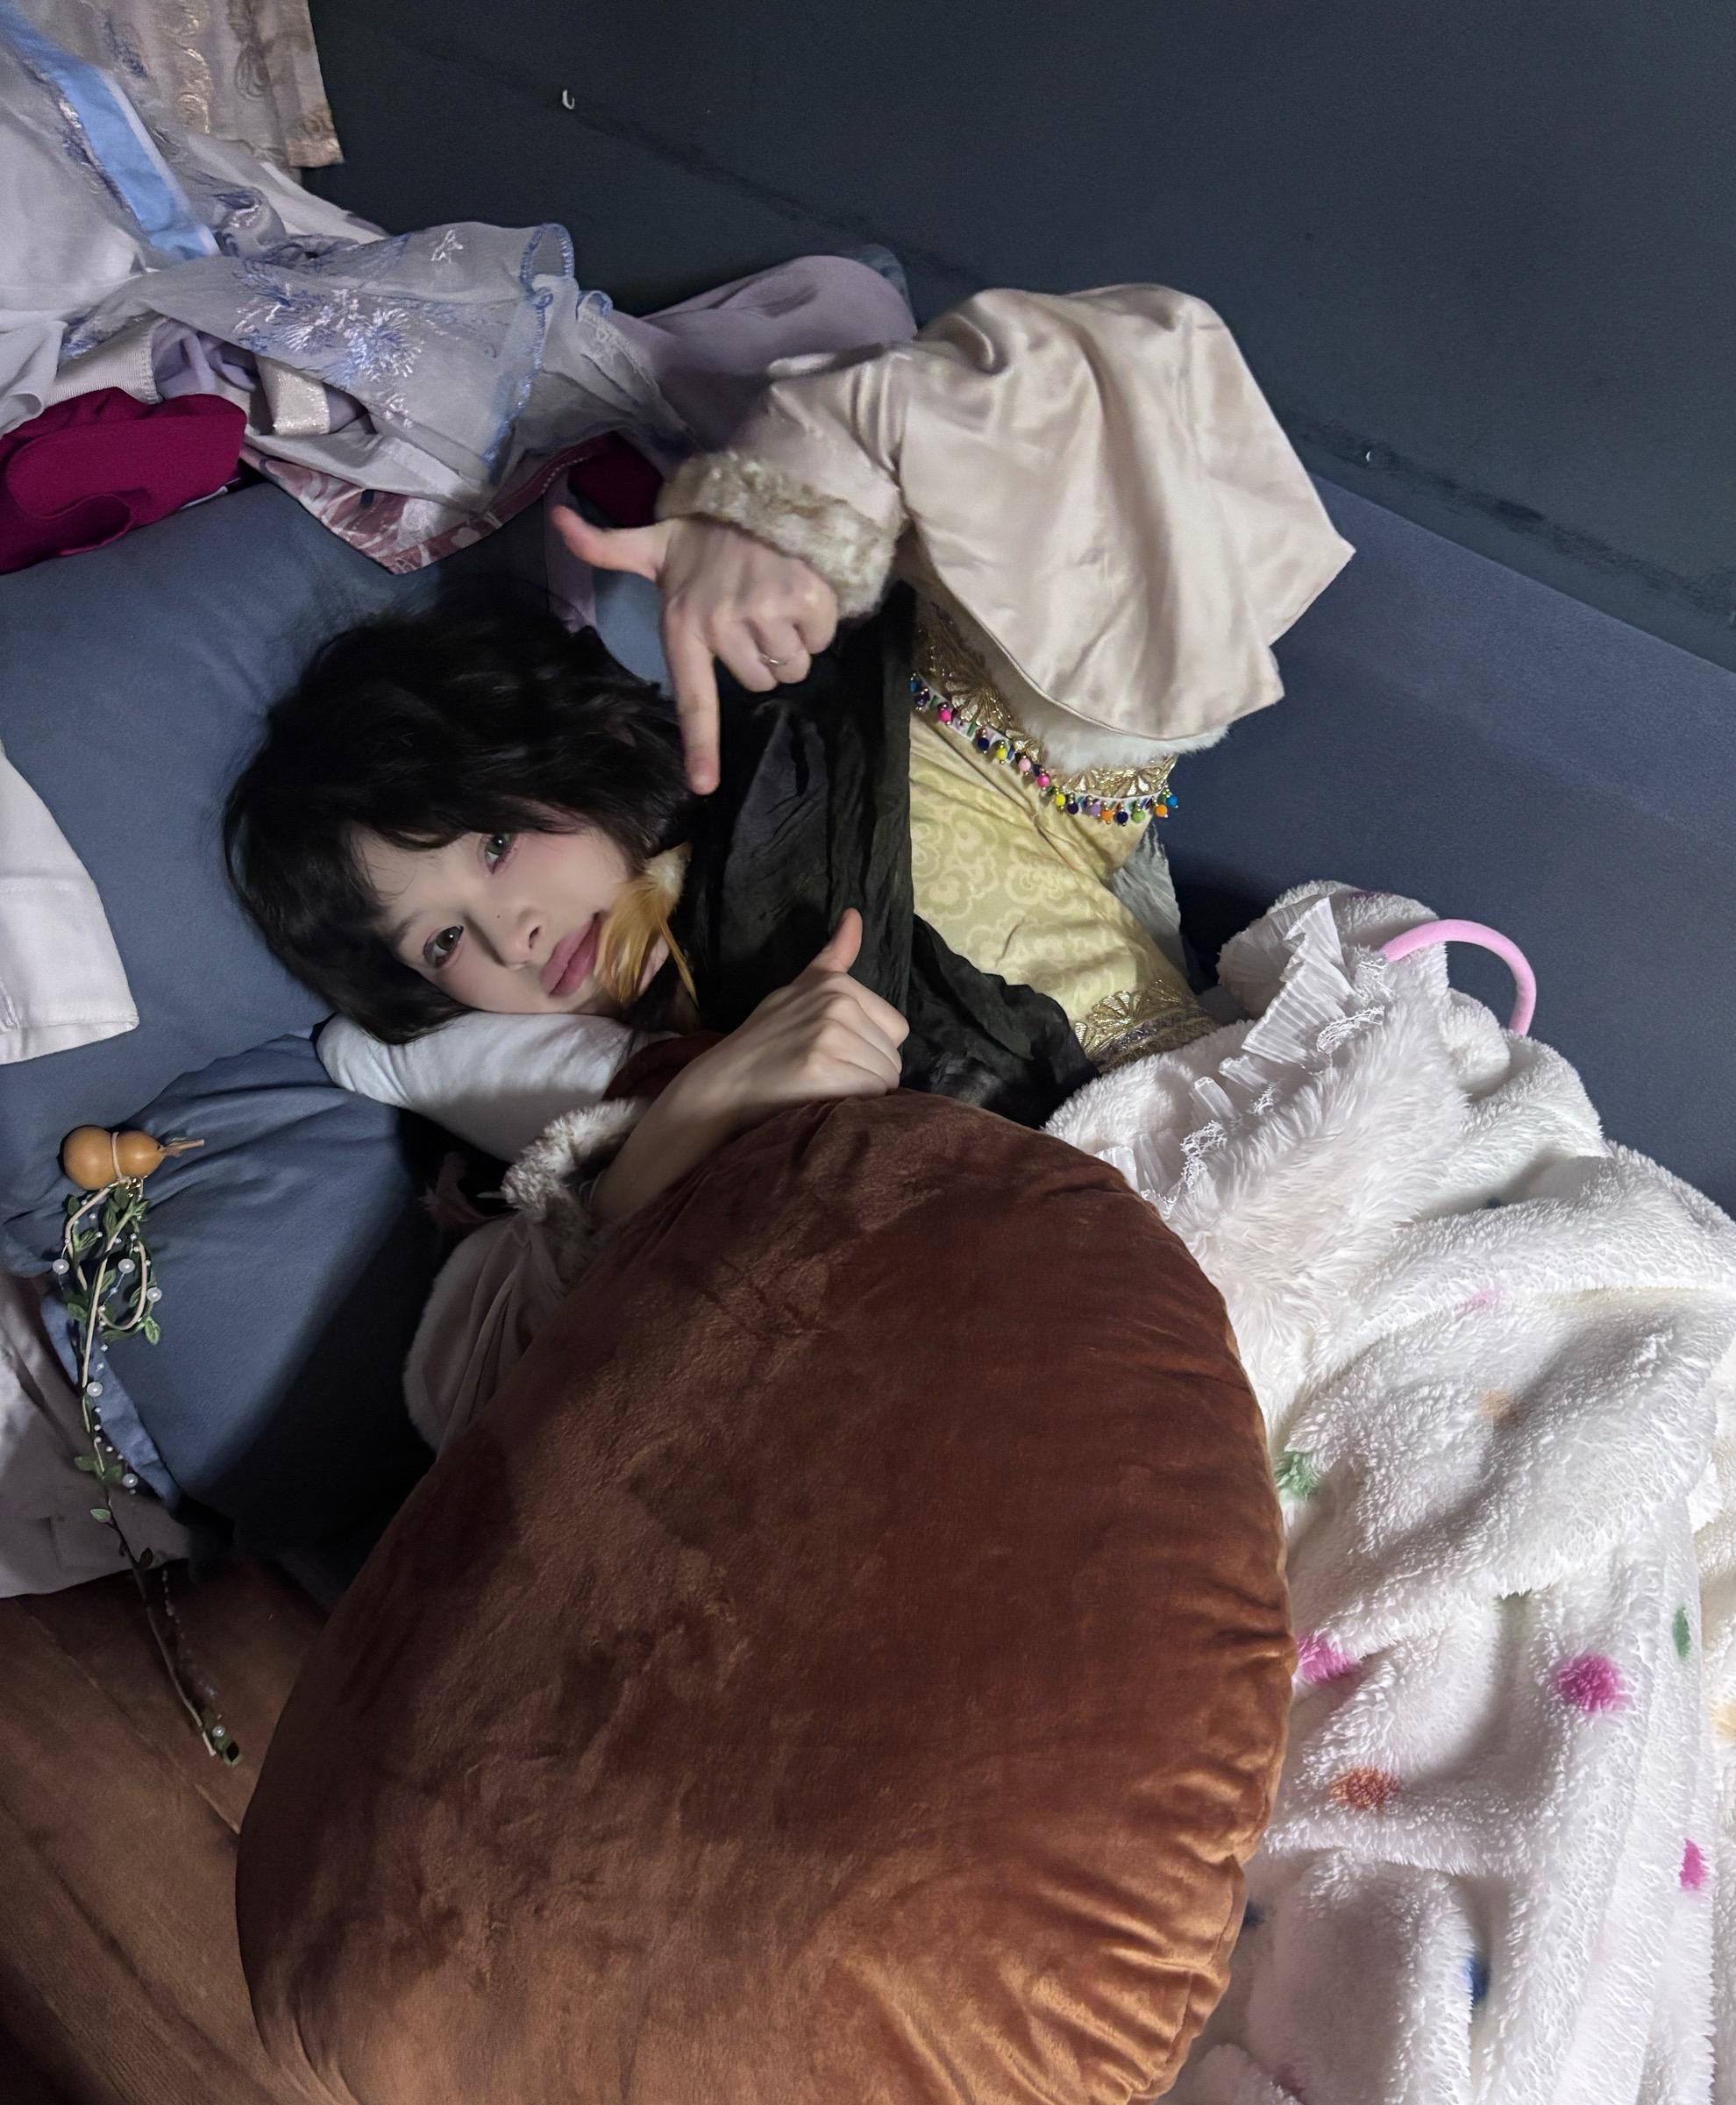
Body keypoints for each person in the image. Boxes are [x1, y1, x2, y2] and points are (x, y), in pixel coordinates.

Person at [225, 283, 1353, 1441]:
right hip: (1034, 1417)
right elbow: (483, 1426)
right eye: (441, 941)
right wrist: (679, 1126)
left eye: (497, 844)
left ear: (571, 759)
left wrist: (793, 504)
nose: (511, 933)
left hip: (1273, 1235)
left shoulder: (875, 752)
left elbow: (1126, 396)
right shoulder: (542, 1149)